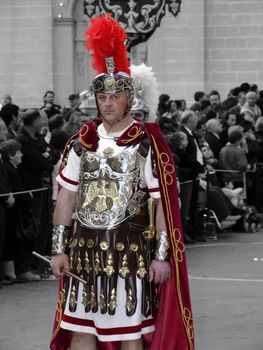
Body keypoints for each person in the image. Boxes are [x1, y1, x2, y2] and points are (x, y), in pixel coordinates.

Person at [50, 14, 194, 350]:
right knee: (80, 332)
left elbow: (161, 202)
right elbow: (66, 197)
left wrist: (161, 256)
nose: (109, 103)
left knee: (129, 338)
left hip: (128, 254)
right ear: (96, 99)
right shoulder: (81, 142)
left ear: (128, 97)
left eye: (116, 97)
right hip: (83, 250)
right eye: (103, 97)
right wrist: (58, 249)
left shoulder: (145, 143)